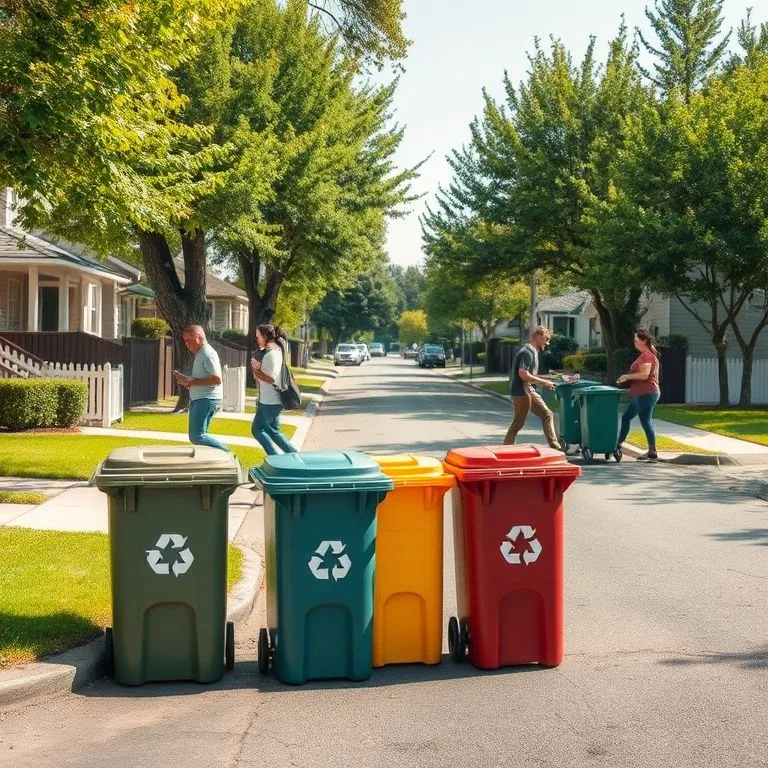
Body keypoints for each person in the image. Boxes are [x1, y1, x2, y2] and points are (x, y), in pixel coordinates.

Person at [504, 326, 560, 450]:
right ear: (538, 337)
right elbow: (523, 374)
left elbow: (529, 375)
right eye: (545, 339)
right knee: (517, 425)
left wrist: (547, 379)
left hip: (528, 390)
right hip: (522, 392)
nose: (547, 343)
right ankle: (505, 451)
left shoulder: (532, 351)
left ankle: (555, 447)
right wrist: (543, 382)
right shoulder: (527, 352)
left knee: (547, 414)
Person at [174, 325, 228, 452]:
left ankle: (229, 455)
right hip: (203, 399)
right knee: (201, 436)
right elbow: (203, 379)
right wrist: (189, 381)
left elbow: (217, 380)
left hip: (206, 400)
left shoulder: (207, 353)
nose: (186, 345)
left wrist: (193, 382)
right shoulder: (201, 353)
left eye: (187, 340)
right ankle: (216, 460)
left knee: (197, 436)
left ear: (196, 337)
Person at [250, 323, 297, 456]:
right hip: (270, 400)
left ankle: (275, 457)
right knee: (273, 431)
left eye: (258, 336)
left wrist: (255, 369)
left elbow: (271, 378)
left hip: (270, 402)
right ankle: (295, 456)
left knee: (257, 429)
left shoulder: (272, 354)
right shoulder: (272, 351)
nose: (257, 339)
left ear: (265, 336)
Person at [617, 329, 661, 461]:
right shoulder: (646, 355)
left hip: (646, 393)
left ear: (644, 341)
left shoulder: (647, 355)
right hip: (646, 393)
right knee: (644, 421)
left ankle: (617, 444)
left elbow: (644, 375)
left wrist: (626, 376)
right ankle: (652, 451)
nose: (634, 342)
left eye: (636, 340)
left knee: (627, 418)